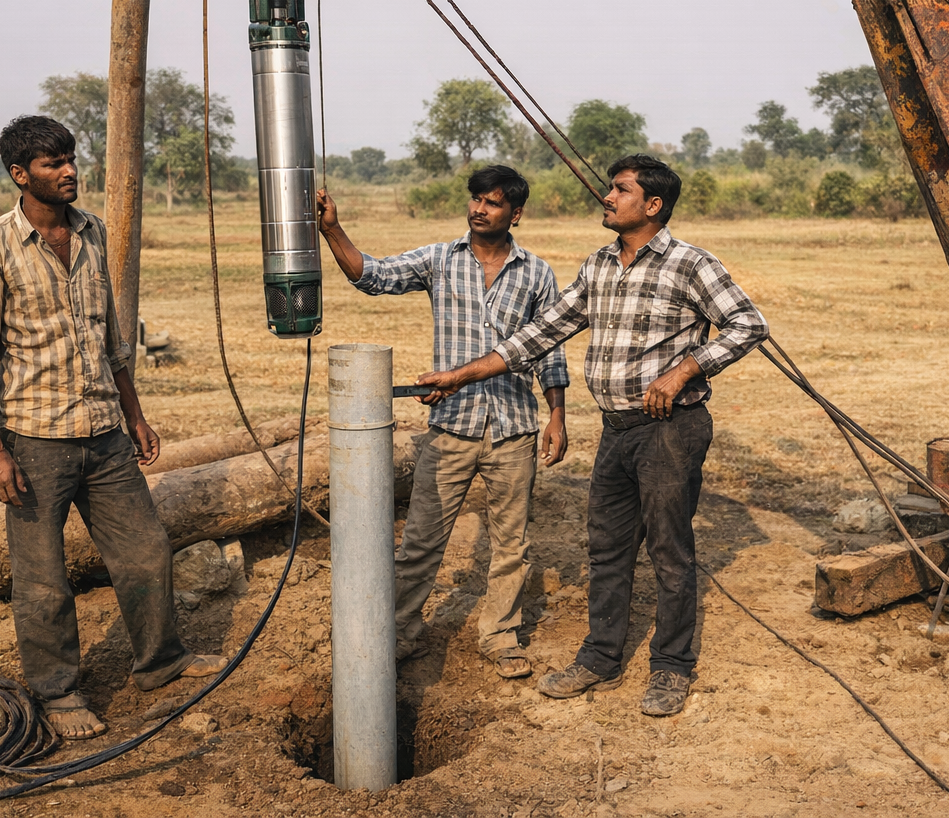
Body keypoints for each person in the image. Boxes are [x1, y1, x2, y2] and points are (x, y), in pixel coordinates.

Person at [415, 154, 768, 716]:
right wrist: (460, 375)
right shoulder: (601, 265)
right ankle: (600, 658)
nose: (607, 197)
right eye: (609, 188)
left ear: (652, 205)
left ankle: (671, 669)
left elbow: (749, 323)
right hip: (616, 430)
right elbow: (539, 335)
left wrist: (684, 370)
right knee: (606, 550)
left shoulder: (690, 264)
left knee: (670, 553)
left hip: (670, 430)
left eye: (620, 190)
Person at [0, 116, 226, 741]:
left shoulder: (93, 232)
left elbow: (110, 341)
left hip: (104, 432)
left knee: (147, 551)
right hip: (34, 439)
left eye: (71, 158)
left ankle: (162, 662)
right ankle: (58, 692)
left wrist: (134, 414)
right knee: (44, 578)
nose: (70, 170)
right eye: (52, 163)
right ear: (20, 176)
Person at [315, 164, 570, 679]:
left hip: (514, 427)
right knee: (421, 543)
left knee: (512, 545)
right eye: (476, 199)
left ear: (514, 213)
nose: (480, 209)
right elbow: (372, 276)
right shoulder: (439, 259)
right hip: (451, 426)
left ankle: (500, 636)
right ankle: (399, 634)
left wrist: (558, 415)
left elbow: (550, 350)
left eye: (493, 202)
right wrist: (331, 230)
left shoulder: (538, 273)